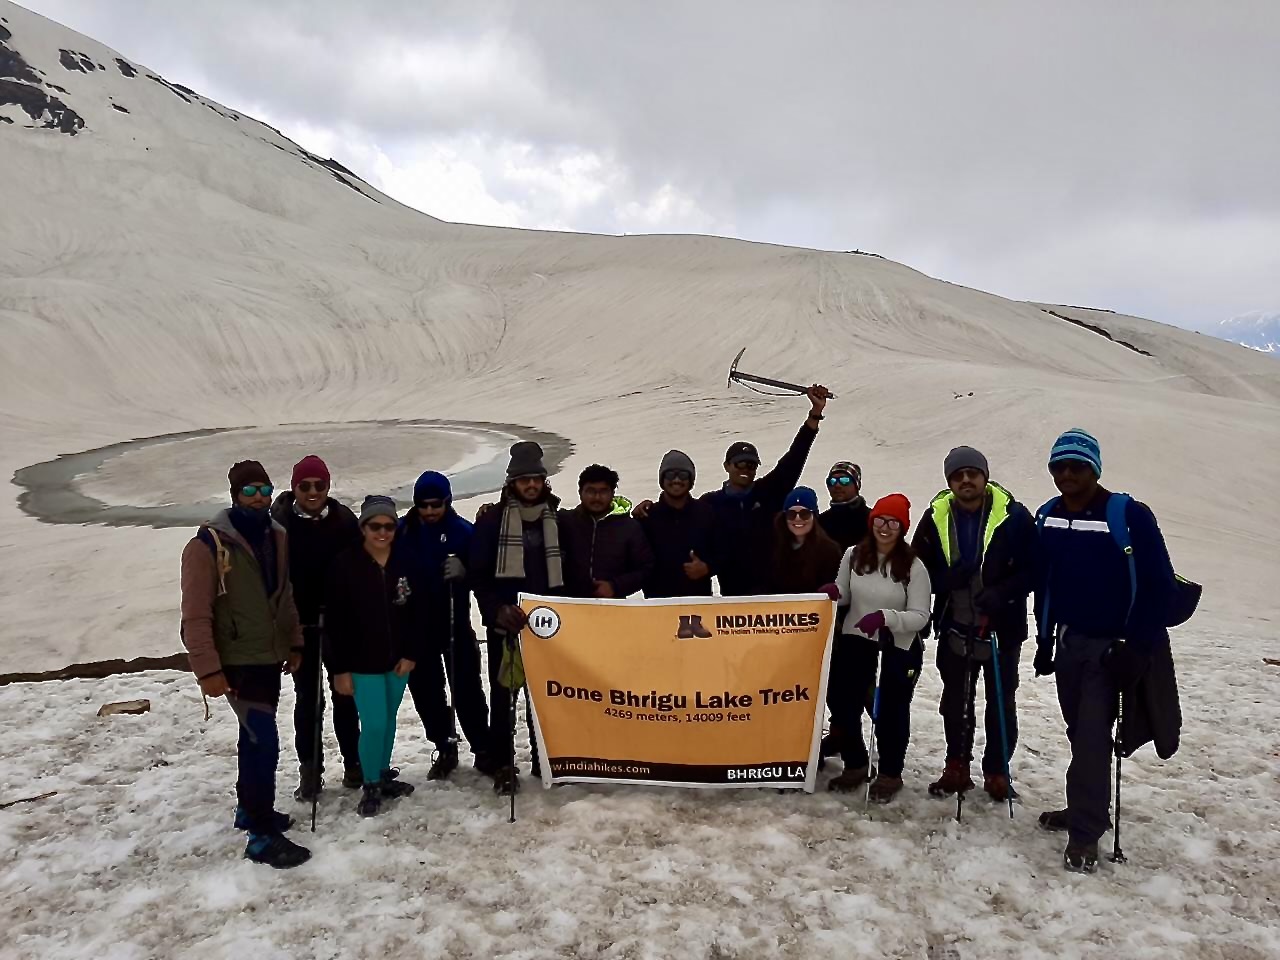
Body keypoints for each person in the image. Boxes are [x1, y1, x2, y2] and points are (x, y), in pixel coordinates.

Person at [1033, 429, 1175, 873]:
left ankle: (1086, 833)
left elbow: (1159, 586)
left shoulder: (1129, 514)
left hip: (1112, 648)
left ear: (1095, 468)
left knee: (1093, 737)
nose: (1067, 474)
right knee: (1080, 733)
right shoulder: (1049, 516)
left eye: (1077, 466)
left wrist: (1137, 646)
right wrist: (1044, 640)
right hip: (1070, 642)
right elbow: (1045, 584)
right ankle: (1084, 808)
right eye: (1059, 466)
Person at [179, 460, 310, 868]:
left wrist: (294, 641)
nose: (259, 498)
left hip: (267, 655)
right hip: (236, 660)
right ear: (235, 495)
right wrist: (208, 670)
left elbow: (283, 594)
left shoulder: (276, 536)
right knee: (262, 741)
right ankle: (260, 836)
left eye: (264, 490)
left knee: (252, 737)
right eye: (250, 491)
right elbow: (195, 614)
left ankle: (249, 810)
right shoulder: (206, 546)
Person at [911, 446, 1036, 803]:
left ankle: (997, 770)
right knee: (955, 701)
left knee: (1000, 702)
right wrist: (945, 580)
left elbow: (1034, 568)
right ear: (949, 481)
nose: (965, 480)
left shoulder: (1014, 516)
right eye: (957, 475)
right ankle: (957, 766)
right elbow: (916, 570)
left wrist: (1005, 593)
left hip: (1003, 628)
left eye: (972, 473)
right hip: (955, 624)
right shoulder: (935, 516)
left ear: (984, 475)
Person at [469, 441, 569, 795]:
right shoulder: (492, 521)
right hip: (506, 625)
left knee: (544, 696)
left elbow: (569, 570)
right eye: (524, 479)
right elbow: (478, 574)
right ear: (511, 482)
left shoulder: (558, 519)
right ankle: (503, 763)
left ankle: (545, 758)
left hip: (548, 626)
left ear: (544, 481)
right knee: (503, 695)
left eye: (536, 479)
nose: (530, 485)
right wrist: (497, 608)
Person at [270, 455, 363, 801]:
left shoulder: (343, 521)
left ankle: (354, 764)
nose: (312, 492)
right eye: (305, 486)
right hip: (300, 626)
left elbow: (359, 567)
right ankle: (310, 771)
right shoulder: (278, 525)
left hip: (339, 625)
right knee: (309, 700)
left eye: (319, 485)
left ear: (328, 486)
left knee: (345, 695)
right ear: (294, 487)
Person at [828, 494, 931, 802]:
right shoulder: (853, 555)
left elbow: (921, 616)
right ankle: (855, 763)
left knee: (890, 710)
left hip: (896, 646)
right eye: (880, 521)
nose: (885, 528)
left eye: (893, 523)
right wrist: (835, 592)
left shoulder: (914, 566)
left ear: (902, 527)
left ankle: (889, 772)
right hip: (856, 640)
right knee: (843, 703)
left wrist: (886, 618)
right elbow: (845, 590)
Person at [325, 496, 423, 817]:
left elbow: (417, 613)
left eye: (389, 526)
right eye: (375, 526)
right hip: (361, 662)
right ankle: (369, 784)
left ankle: (382, 775)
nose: (382, 532)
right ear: (363, 528)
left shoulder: (406, 560)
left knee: (389, 720)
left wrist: (411, 653)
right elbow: (335, 623)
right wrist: (339, 669)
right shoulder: (344, 564)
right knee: (374, 723)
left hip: (398, 661)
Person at [397, 470, 497, 780]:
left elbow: (483, 574)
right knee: (427, 691)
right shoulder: (404, 531)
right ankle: (445, 745)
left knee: (466, 687)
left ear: (447, 502)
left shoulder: (462, 531)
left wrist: (464, 572)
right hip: (416, 625)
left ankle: (482, 748)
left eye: (435, 505)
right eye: (423, 505)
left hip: (454, 621)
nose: (429, 512)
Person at [702, 385, 831, 596]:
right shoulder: (710, 504)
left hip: (773, 599)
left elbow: (794, 459)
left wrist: (814, 415)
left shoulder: (768, 492)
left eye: (751, 465)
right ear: (727, 466)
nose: (745, 470)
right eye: (739, 464)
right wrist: (647, 509)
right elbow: (682, 512)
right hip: (732, 600)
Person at [559, 464, 654, 600]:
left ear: (612, 493)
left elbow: (646, 568)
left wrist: (615, 586)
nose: (597, 497)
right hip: (568, 606)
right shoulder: (564, 522)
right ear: (580, 492)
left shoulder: (629, 527)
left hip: (613, 608)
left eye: (603, 491)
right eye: (591, 491)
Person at [637, 450, 717, 600]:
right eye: (670, 474)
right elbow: (635, 563)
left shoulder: (706, 513)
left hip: (699, 603)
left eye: (683, 475)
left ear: (691, 480)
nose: (676, 480)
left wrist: (707, 568)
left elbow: (724, 553)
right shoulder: (647, 517)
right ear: (662, 479)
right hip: (657, 604)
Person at [768, 487, 843, 594]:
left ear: (814, 516)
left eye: (804, 514)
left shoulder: (829, 551)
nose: (798, 518)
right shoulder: (772, 548)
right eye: (791, 514)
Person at [818, 461, 870, 552]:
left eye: (844, 481)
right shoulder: (820, 523)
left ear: (857, 486)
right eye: (832, 481)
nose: (837, 485)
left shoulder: (872, 520)